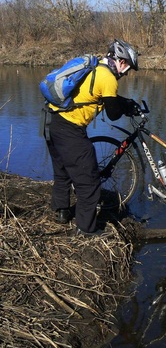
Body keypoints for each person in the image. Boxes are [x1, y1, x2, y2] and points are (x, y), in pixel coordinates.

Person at [44, 39, 142, 236]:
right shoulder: (109, 78)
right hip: (70, 130)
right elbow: (113, 112)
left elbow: (97, 96)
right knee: (89, 180)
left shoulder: (95, 67)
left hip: (51, 122)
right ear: (121, 61)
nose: (126, 73)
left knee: (63, 171)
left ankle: (62, 213)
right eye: (128, 68)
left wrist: (125, 102)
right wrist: (126, 107)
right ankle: (85, 228)